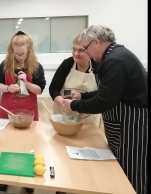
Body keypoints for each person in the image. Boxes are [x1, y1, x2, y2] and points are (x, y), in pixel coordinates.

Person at [61, 25, 148, 194]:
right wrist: (82, 96)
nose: (88, 54)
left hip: (132, 127)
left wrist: (73, 105)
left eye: (86, 48)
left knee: (130, 174)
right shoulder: (117, 55)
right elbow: (107, 91)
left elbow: (104, 101)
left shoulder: (114, 61)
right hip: (124, 124)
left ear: (97, 42)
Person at [0, 30, 46, 194]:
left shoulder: (36, 66)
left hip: (28, 111)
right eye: (16, 53)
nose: (20, 57)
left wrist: (26, 82)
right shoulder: (5, 65)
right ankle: (4, 178)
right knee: (6, 143)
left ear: (29, 50)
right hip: (8, 109)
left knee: (28, 145)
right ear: (12, 50)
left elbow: (39, 90)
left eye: (23, 53)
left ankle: (27, 180)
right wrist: (8, 88)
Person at [49, 33, 101, 127]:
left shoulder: (98, 66)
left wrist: (80, 99)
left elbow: (101, 94)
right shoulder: (67, 64)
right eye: (74, 49)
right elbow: (53, 89)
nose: (76, 53)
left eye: (81, 50)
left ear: (90, 51)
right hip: (64, 114)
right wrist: (63, 102)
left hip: (88, 115)